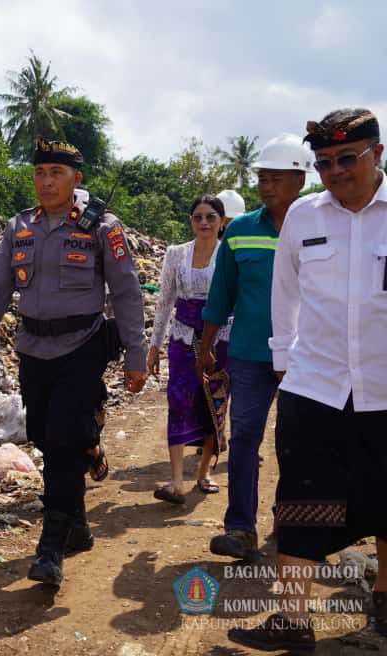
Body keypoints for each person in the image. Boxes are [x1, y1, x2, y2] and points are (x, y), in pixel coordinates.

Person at [229, 108, 387, 652]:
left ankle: (384, 605)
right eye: (324, 163)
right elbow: (285, 296)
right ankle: (293, 620)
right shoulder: (303, 216)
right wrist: (285, 362)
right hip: (314, 387)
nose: (336, 171)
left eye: (349, 159)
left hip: (386, 390)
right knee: (301, 502)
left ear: (378, 155)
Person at [0, 139, 147, 587]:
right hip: (33, 349)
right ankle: (75, 524)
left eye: (56, 173)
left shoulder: (102, 227)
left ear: (77, 179)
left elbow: (127, 293)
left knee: (61, 442)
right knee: (43, 434)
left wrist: (136, 356)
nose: (46, 182)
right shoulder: (19, 227)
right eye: (40, 173)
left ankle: (50, 548)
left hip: (82, 346)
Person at [197, 133, 310, 561]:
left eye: (275, 178)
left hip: (307, 358)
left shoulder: (319, 226)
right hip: (247, 353)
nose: (265, 185)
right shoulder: (241, 231)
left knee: (297, 442)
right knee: (245, 438)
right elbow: (220, 295)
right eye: (261, 177)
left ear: (300, 180)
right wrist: (205, 349)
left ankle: (291, 519)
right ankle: (240, 528)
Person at [147, 195, 230, 505]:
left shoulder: (229, 255)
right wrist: (154, 345)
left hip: (221, 337)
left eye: (211, 217)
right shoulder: (176, 254)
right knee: (179, 399)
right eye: (198, 217)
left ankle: (204, 472)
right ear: (191, 221)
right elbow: (165, 300)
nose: (204, 222)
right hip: (183, 339)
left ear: (222, 221)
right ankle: (177, 479)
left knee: (213, 402)